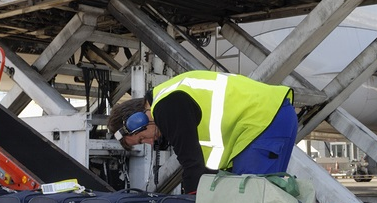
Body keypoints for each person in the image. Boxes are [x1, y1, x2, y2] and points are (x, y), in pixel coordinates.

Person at [107, 70, 298, 194]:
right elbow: (205, 168)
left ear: (138, 120)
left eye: (142, 138)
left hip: (262, 120)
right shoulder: (170, 97)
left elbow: (192, 164)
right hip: (273, 116)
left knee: (249, 202)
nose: (149, 142)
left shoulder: (166, 107)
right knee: (265, 200)